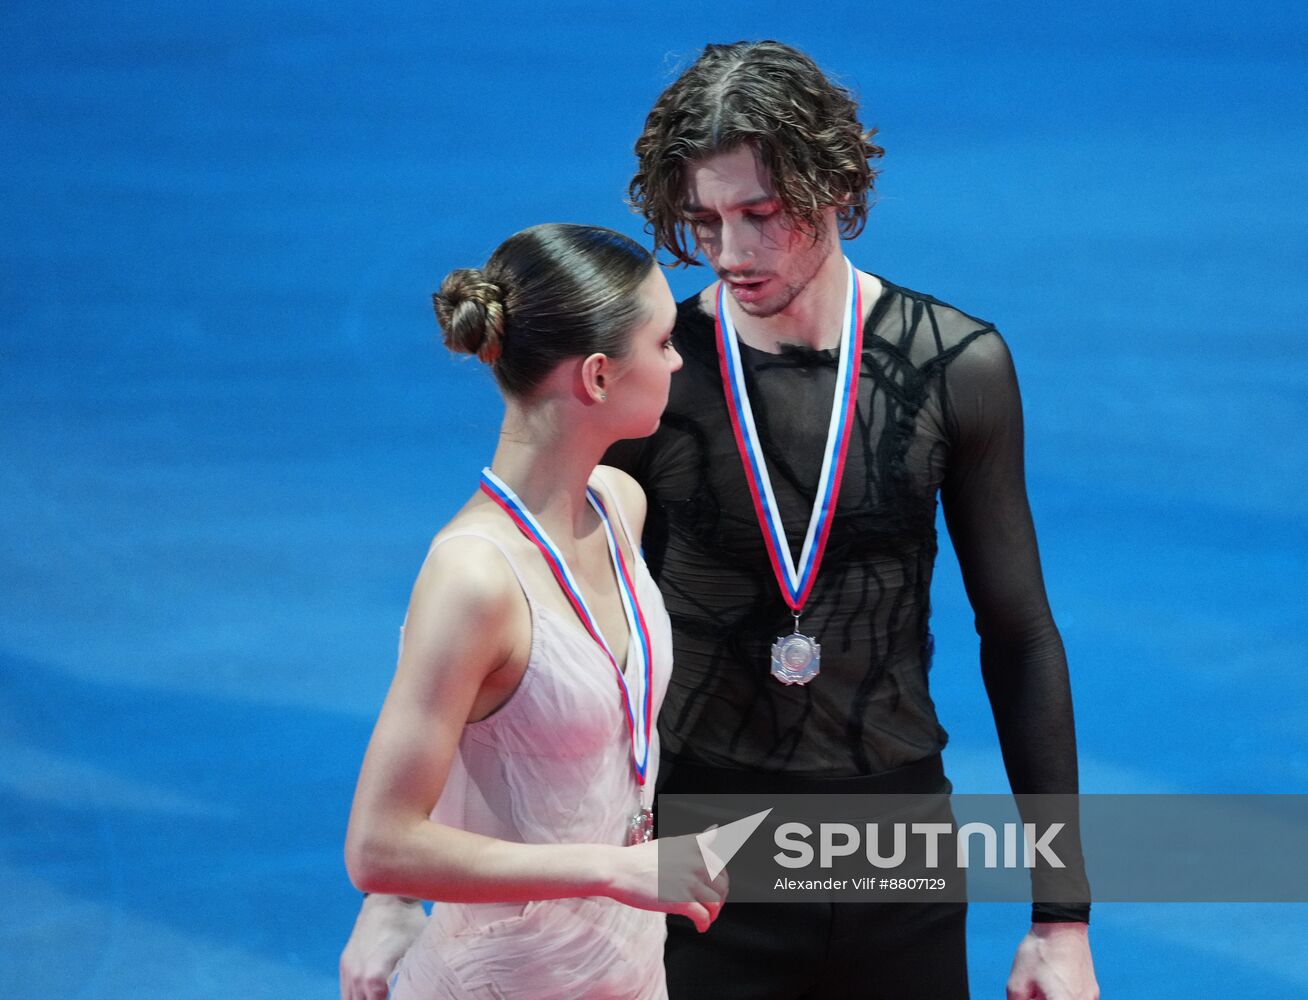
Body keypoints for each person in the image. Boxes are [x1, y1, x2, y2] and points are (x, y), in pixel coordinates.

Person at [343, 42, 1099, 1000]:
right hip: (697, 849)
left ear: (836, 188)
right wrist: (392, 896)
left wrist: (1061, 918)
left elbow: (1021, 638)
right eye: (703, 221)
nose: (731, 254)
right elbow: (488, 607)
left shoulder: (957, 366)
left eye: (761, 215)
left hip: (893, 838)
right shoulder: (652, 375)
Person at [343, 223, 726, 1000]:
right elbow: (378, 844)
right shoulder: (474, 577)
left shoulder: (621, 505)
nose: (679, 359)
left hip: (629, 974)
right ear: (596, 377)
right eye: (662, 342)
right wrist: (611, 869)